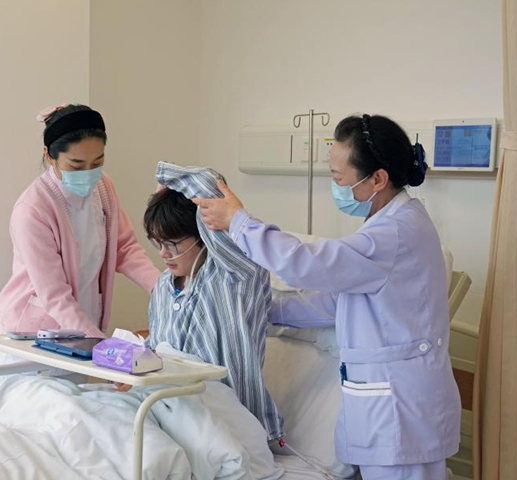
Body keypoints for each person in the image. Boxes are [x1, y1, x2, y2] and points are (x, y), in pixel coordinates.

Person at [194, 114, 460, 479]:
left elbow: (305, 263)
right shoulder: (391, 224)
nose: (335, 185)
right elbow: (342, 301)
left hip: (401, 413)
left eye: (338, 177)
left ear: (378, 179)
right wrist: (269, 311)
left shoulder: (394, 235)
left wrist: (238, 221)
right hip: (387, 411)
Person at [144, 161, 284, 441]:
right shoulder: (163, 286)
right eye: (158, 243)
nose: (163, 253)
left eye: (172, 243)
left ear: (204, 235)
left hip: (227, 422)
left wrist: (166, 183)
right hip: (167, 411)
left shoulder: (236, 275)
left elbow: (207, 183)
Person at [0, 104, 160, 340]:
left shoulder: (103, 187)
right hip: (34, 335)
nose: (88, 173)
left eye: (97, 163)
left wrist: (162, 288)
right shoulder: (33, 210)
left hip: (83, 324)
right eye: (76, 165)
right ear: (49, 156)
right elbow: (55, 296)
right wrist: (98, 343)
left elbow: (124, 247)